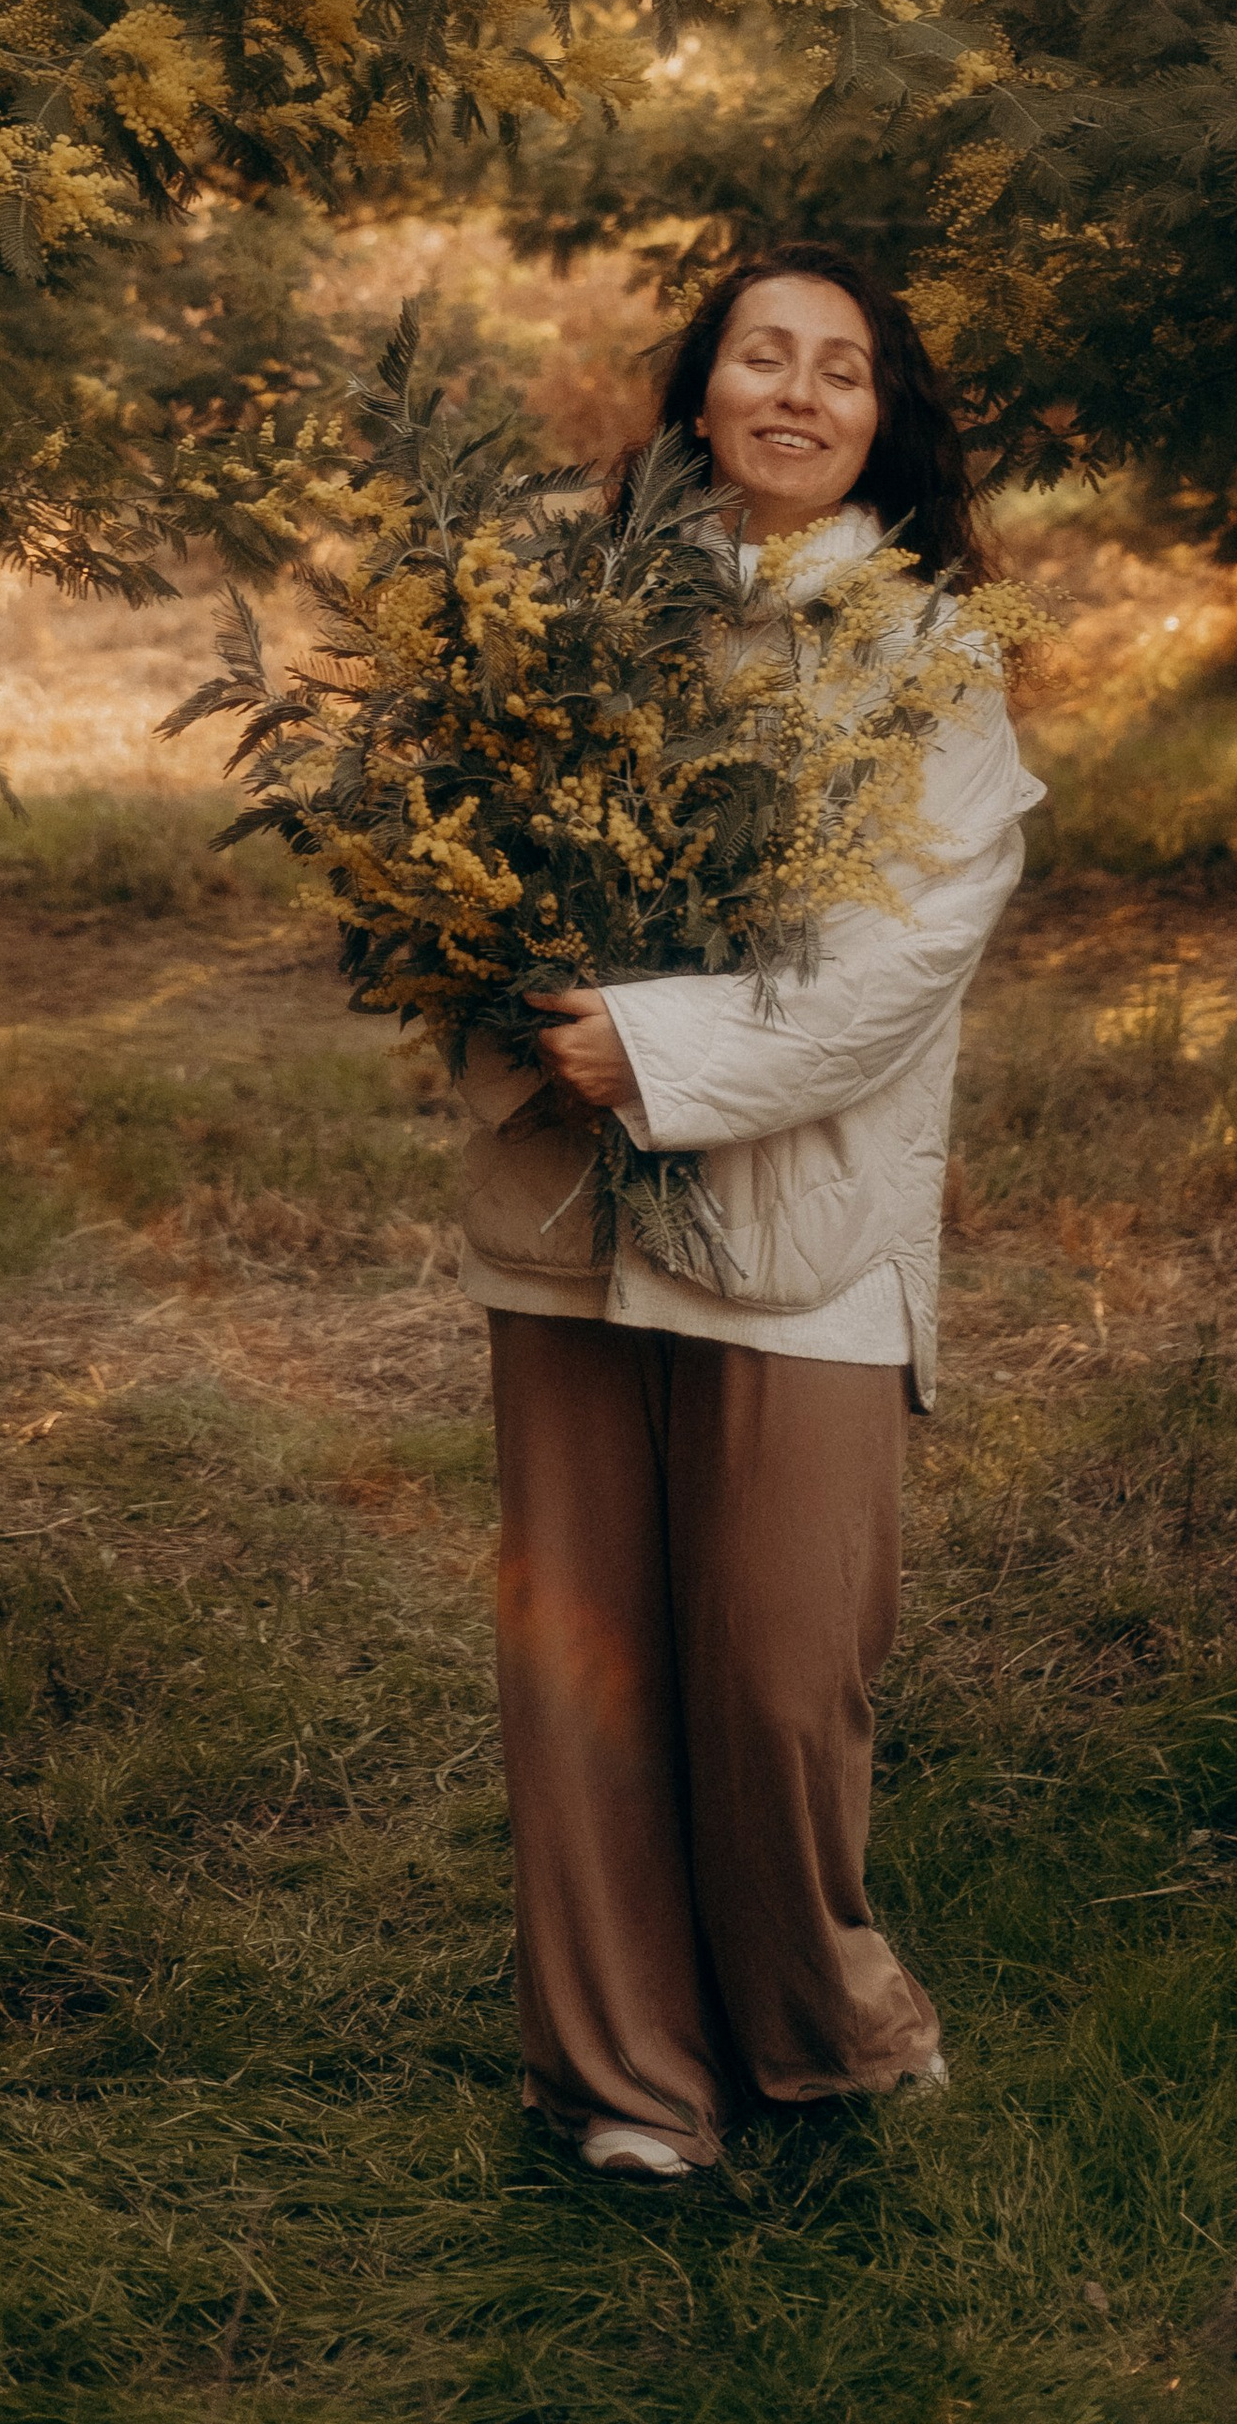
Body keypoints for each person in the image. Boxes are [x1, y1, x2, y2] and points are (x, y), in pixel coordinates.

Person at [457, 243, 1042, 2182]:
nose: (793, 390)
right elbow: (453, 868)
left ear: (882, 421)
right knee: (586, 1667)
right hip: (567, 1203)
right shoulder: (566, 618)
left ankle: (825, 2034)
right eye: (757, 354)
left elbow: (899, 966)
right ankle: (625, 2083)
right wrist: (527, 996)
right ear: (696, 389)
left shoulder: (927, 657)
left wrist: (658, 1047)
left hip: (798, 1222)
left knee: (783, 1678)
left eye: (839, 368)